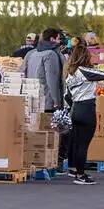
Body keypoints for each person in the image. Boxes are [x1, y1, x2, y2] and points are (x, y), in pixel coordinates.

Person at [63, 39, 104, 185]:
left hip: (75, 109)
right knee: (84, 144)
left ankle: (76, 170)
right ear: (84, 57)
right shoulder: (85, 71)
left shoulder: (70, 73)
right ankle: (81, 175)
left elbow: (67, 96)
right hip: (87, 109)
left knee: (77, 143)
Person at [23, 28, 67, 164]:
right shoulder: (51, 55)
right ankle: (51, 162)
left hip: (31, 99)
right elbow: (52, 78)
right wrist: (57, 100)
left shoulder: (31, 53)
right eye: (59, 38)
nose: (61, 41)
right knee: (51, 135)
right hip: (47, 100)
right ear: (53, 39)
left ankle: (32, 161)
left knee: (35, 132)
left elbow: (22, 73)